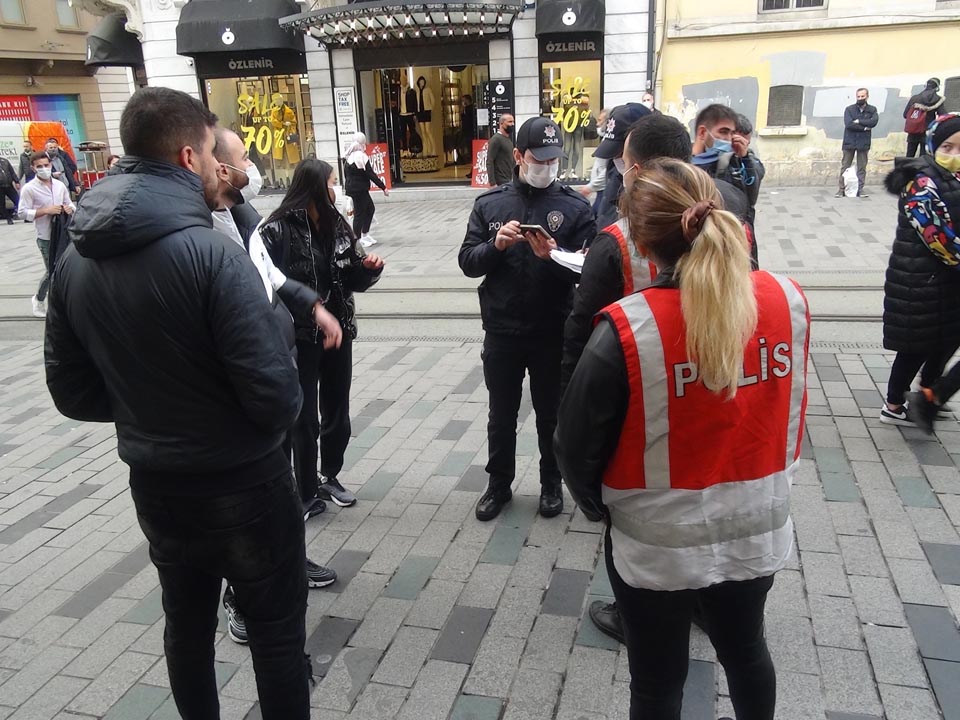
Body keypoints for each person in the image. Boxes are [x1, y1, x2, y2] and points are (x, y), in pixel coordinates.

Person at [43, 87, 312, 719]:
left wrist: (154, 405)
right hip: (245, 482)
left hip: (157, 482)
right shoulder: (212, 252)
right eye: (215, 153)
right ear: (189, 156)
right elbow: (277, 399)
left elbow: (72, 392)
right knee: (275, 635)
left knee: (185, 626)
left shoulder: (75, 259)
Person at [556, 157, 810, 720]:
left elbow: (574, 449)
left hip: (656, 549)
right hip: (756, 529)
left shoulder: (628, 328)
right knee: (747, 652)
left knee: (657, 680)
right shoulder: (786, 300)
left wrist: (601, 511)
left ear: (643, 244)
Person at [209, 128, 343, 644]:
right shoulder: (197, 232)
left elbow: (269, 276)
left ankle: (289, 560)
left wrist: (311, 305)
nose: (253, 166)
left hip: (272, 371)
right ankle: (238, 596)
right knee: (242, 507)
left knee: (282, 489)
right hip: (235, 396)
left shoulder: (242, 217)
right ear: (219, 167)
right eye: (244, 157)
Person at [459, 116, 597, 522]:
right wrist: (494, 246)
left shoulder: (574, 207)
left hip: (552, 329)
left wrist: (552, 256)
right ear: (518, 156)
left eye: (554, 161)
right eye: (539, 160)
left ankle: (551, 484)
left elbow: (588, 274)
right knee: (500, 414)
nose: (548, 168)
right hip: (502, 329)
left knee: (550, 413)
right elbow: (467, 262)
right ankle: (498, 484)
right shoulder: (490, 204)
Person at [261, 159, 384, 521]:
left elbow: (351, 277)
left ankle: (329, 475)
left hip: (338, 331)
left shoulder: (338, 225)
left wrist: (368, 270)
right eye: (332, 182)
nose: (336, 188)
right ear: (315, 186)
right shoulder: (278, 229)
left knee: (336, 411)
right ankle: (303, 490)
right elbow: (269, 283)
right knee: (302, 419)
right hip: (300, 336)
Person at [880, 113, 960, 426]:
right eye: (948, 147)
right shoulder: (922, 181)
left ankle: (928, 395)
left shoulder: (953, 177)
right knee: (914, 346)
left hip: (947, 281)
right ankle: (894, 404)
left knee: (944, 342)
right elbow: (936, 236)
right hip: (920, 279)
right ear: (934, 145)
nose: (954, 155)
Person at [18, 152, 74, 317]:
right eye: (39, 166)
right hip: (46, 237)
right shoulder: (29, 189)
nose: (44, 169)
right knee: (52, 271)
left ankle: (65, 303)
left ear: (51, 165)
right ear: (33, 168)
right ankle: (39, 299)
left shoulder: (59, 185)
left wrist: (70, 208)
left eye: (46, 165)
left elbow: (69, 202)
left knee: (65, 269)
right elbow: (22, 212)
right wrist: (45, 211)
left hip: (63, 233)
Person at [593, 103, 651, 228]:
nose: (616, 158)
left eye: (620, 152)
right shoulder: (614, 173)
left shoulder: (656, 190)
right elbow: (605, 215)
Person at [342, 132, 389, 247]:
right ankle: (357, 239)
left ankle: (364, 235)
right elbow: (370, 174)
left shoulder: (348, 156)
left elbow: (346, 175)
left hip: (354, 189)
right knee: (360, 213)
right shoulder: (361, 156)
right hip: (359, 189)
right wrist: (383, 187)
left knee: (369, 209)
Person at [835, 88, 878, 199]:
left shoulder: (872, 110)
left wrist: (859, 121)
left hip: (863, 142)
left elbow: (873, 122)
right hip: (850, 141)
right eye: (858, 96)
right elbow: (849, 124)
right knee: (845, 165)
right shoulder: (849, 109)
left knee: (862, 167)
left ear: (867, 96)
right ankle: (841, 190)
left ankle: (860, 189)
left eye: (862, 96)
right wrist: (864, 128)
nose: (860, 98)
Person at [578, 108, 610, 212]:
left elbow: (607, 170)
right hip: (600, 189)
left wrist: (591, 187)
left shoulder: (610, 142)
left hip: (604, 189)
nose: (597, 124)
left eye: (600, 120)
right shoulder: (606, 139)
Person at [904, 78, 945, 159]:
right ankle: (921, 171)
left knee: (909, 156)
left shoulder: (914, 98)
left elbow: (905, 114)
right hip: (927, 131)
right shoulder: (937, 99)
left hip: (913, 131)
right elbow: (943, 116)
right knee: (924, 157)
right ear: (937, 87)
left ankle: (907, 171)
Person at [486, 113, 516, 187]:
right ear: (501, 123)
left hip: (509, 179)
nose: (512, 124)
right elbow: (490, 160)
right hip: (500, 181)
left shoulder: (507, 139)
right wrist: (492, 183)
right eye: (509, 122)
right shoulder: (496, 139)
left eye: (513, 122)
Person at [0, 153, 20, 225]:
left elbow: (12, 172)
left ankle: (26, 216)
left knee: (17, 200)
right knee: (1, 205)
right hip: (0, 188)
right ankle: (9, 219)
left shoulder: (4, 161)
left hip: (9, 185)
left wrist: (16, 181)